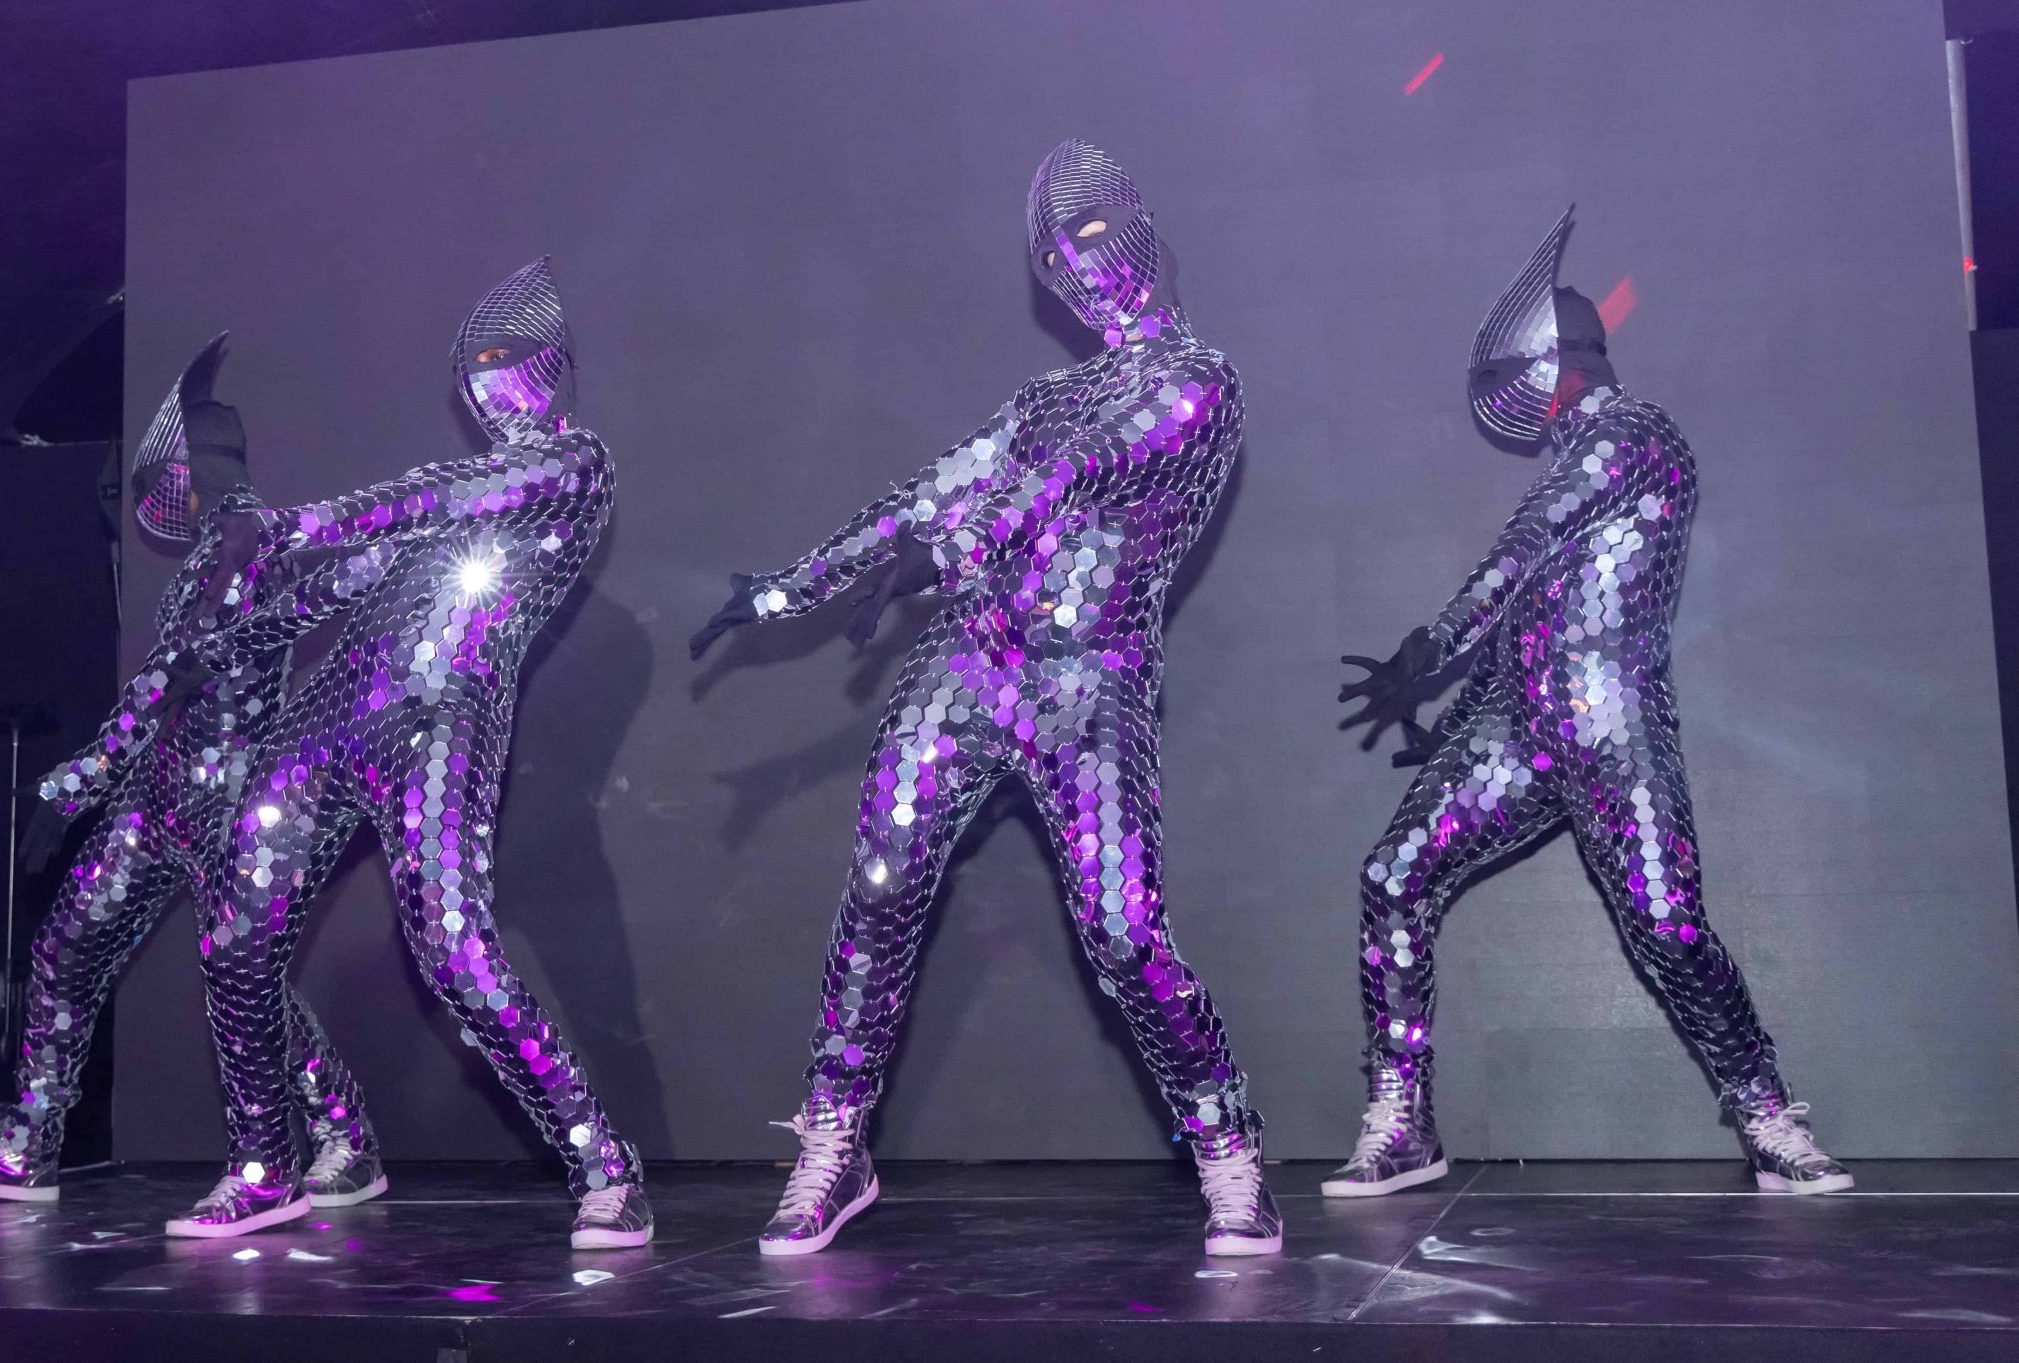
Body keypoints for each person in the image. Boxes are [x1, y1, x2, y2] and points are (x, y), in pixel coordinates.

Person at [692, 141, 1280, 1258]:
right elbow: (929, 493)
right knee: (877, 897)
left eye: (1091, 234)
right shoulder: (1043, 397)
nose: (1078, 265)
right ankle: (834, 1143)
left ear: (1143, 230)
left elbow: (1079, 471)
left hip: (1091, 682)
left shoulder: (1199, 380)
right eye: (1056, 256)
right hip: (965, 666)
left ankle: (1227, 1148)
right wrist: (783, 591)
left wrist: (961, 541)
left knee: (1124, 935)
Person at [1326, 207, 1851, 1199]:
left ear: (1560, 360)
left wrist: (1432, 643)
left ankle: (1769, 1115)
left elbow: (1523, 550)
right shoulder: (1572, 458)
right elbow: (1533, 611)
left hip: (1614, 729)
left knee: (1668, 926)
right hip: (1518, 733)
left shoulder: (1635, 436)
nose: (1508, 393)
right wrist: (1453, 727)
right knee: (1393, 878)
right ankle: (1402, 1122)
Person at [164, 259, 652, 1248]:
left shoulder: (570, 466)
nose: (488, 385)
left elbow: (429, 498)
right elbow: (340, 582)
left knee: (454, 953)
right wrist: (222, 641)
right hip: (325, 721)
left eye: (505, 363)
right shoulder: (440, 509)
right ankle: (268, 1166)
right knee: (233, 936)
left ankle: (605, 1167)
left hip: (442, 723)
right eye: (473, 371)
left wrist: (293, 525)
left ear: (551, 368)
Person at [0, 338, 382, 1217]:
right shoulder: (218, 546)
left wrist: (74, 784)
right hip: (164, 795)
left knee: (241, 980)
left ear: (192, 468)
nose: (154, 499)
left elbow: (165, 682)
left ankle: (336, 1139)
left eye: (165, 476)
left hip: (227, 808)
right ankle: (30, 1148)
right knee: (67, 947)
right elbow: (167, 689)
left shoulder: (248, 542)